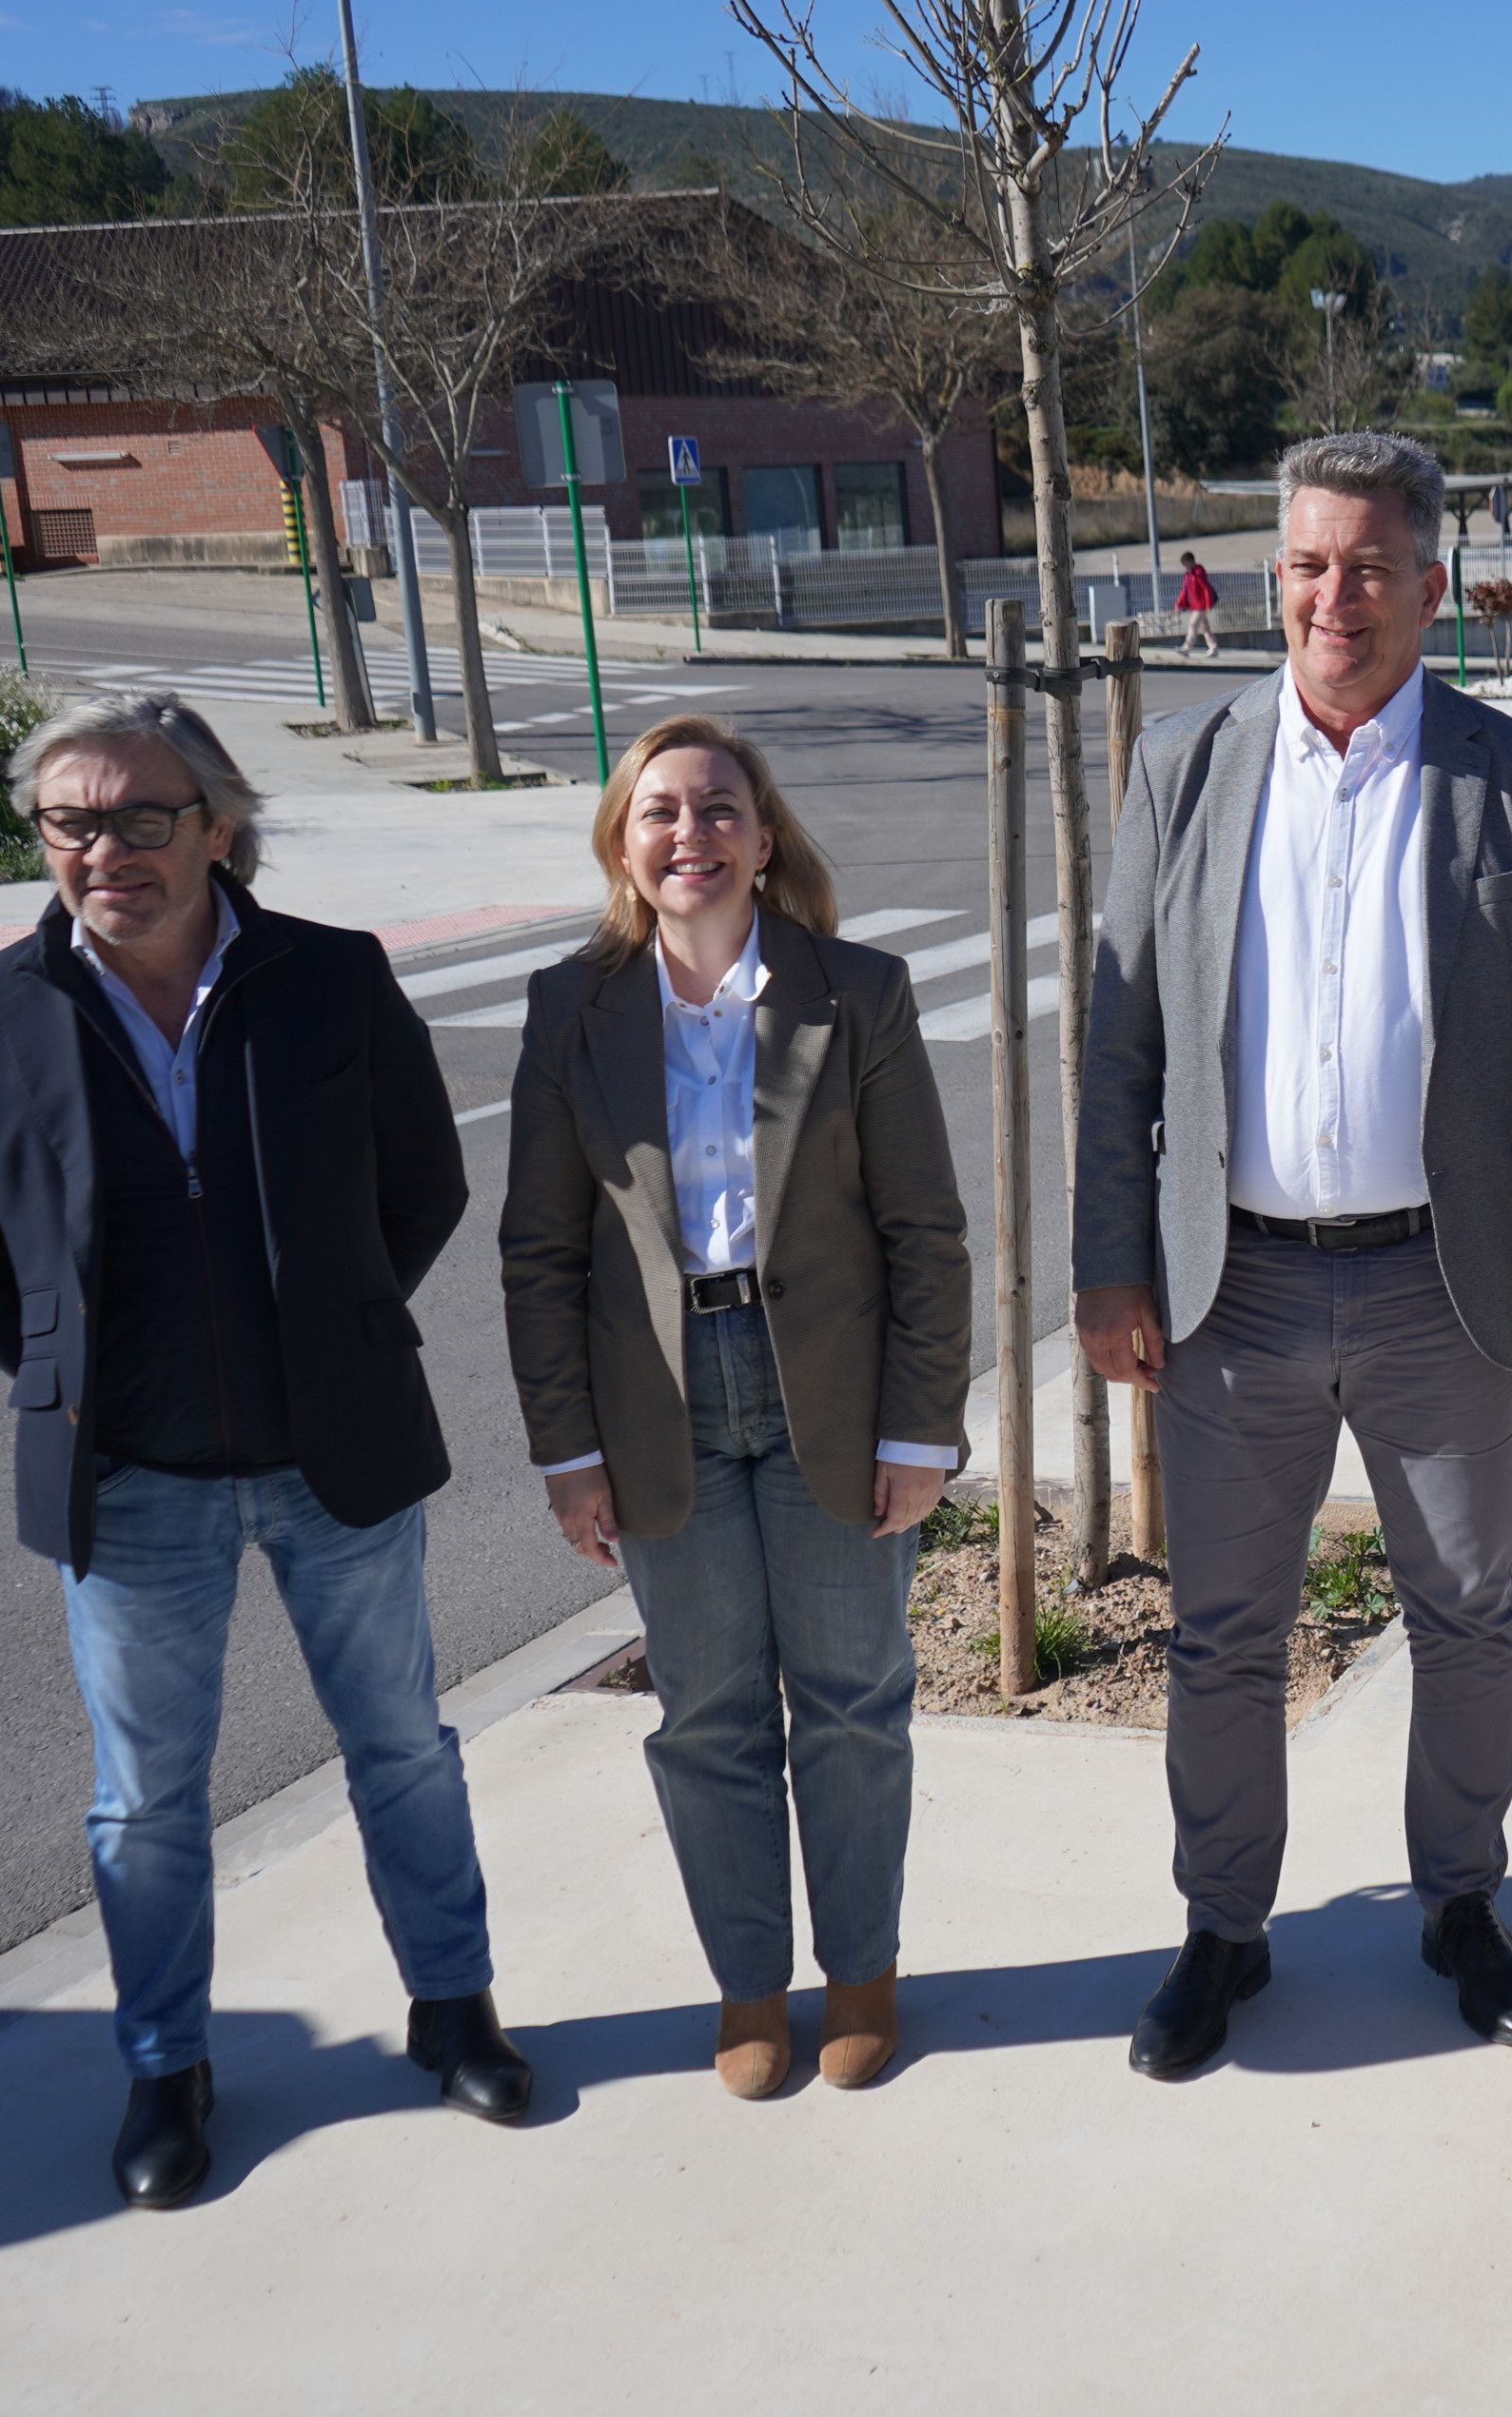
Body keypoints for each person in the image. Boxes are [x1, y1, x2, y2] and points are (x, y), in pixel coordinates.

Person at [0, 693, 530, 2211]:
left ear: (219, 827)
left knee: (402, 1751)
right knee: (144, 1802)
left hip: (339, 1460)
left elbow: (419, 1185)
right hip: (132, 1479)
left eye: (139, 818)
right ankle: (166, 2069)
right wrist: (77, 1383)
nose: (103, 849)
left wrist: (332, 1337)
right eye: (71, 821)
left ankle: (455, 2013)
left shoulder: (327, 978)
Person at [1076, 430, 1512, 2079]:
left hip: (1438, 1285)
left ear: (1431, 587)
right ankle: (1222, 1928)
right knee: (1223, 1632)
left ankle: (1460, 1904)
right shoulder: (1181, 768)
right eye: (1308, 565)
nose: (1336, 596)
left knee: (1467, 1614)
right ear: (1271, 581)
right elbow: (1122, 1043)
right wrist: (1110, 1264)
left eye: (1371, 565)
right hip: (1226, 1285)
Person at [499, 714, 970, 2101]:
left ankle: (862, 1977)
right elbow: (540, 1251)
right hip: (658, 1404)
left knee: (851, 1703)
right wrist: (566, 1450)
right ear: (622, 846)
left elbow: (923, 1231)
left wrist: (917, 1432)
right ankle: (749, 1990)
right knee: (703, 1713)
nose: (688, 834)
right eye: (659, 814)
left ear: (763, 842)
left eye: (717, 810)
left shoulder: (856, 992)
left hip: (826, 1388)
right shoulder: (569, 1008)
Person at [1175, 550, 1219, 658]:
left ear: (1190, 561)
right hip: (1195, 605)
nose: (1185, 566)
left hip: (1201, 605)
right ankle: (1213, 648)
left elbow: (1205, 588)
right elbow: (1184, 591)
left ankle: (1186, 648)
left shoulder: (1198, 571)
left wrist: (1208, 603)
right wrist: (1178, 604)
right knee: (1205, 628)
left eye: (1185, 563)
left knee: (1193, 625)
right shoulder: (1187, 575)